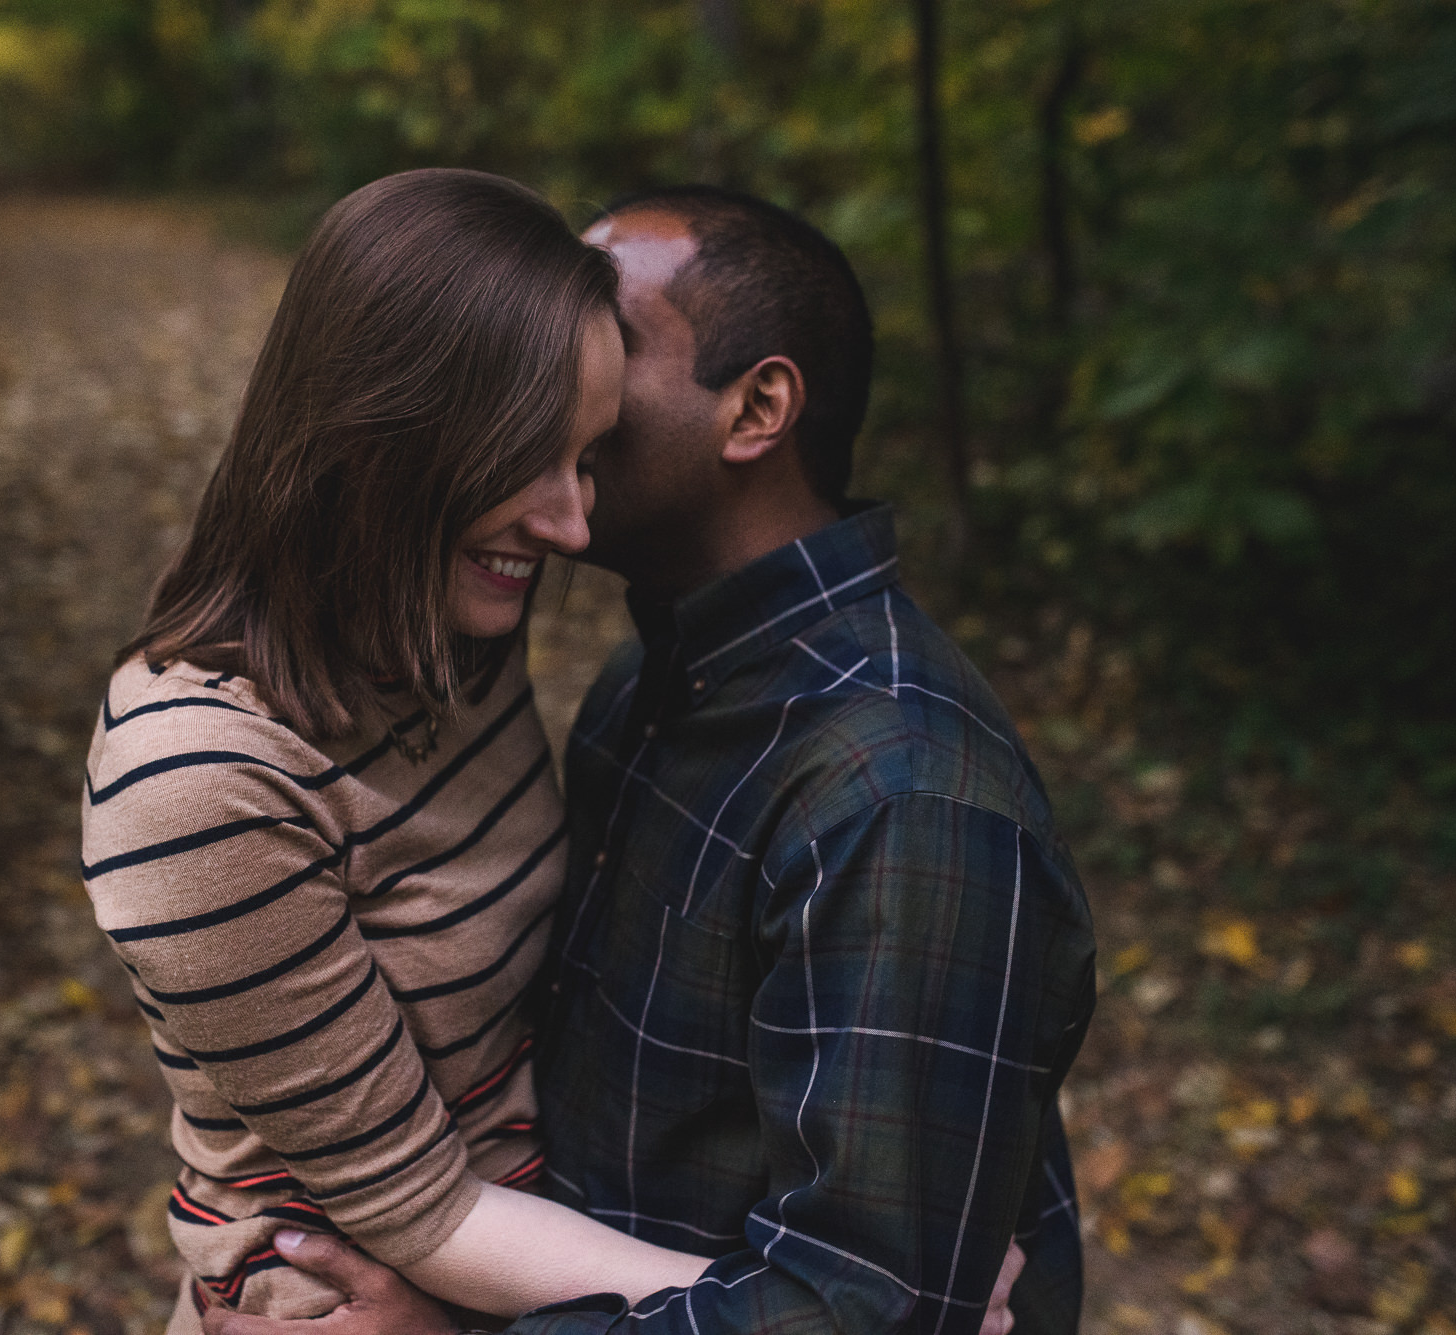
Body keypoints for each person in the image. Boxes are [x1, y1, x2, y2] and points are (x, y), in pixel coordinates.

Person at [203, 187, 1095, 1335]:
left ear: (755, 409)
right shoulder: (656, 680)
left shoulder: (898, 797)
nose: (540, 362)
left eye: (600, 337)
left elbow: (866, 1310)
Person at [80, 169, 719, 1333]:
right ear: (385, 429)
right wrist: (827, 1311)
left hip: (542, 1265)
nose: (573, 525)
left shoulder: (442, 639)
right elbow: (427, 1218)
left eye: (586, 458)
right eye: (531, 456)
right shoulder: (194, 785)